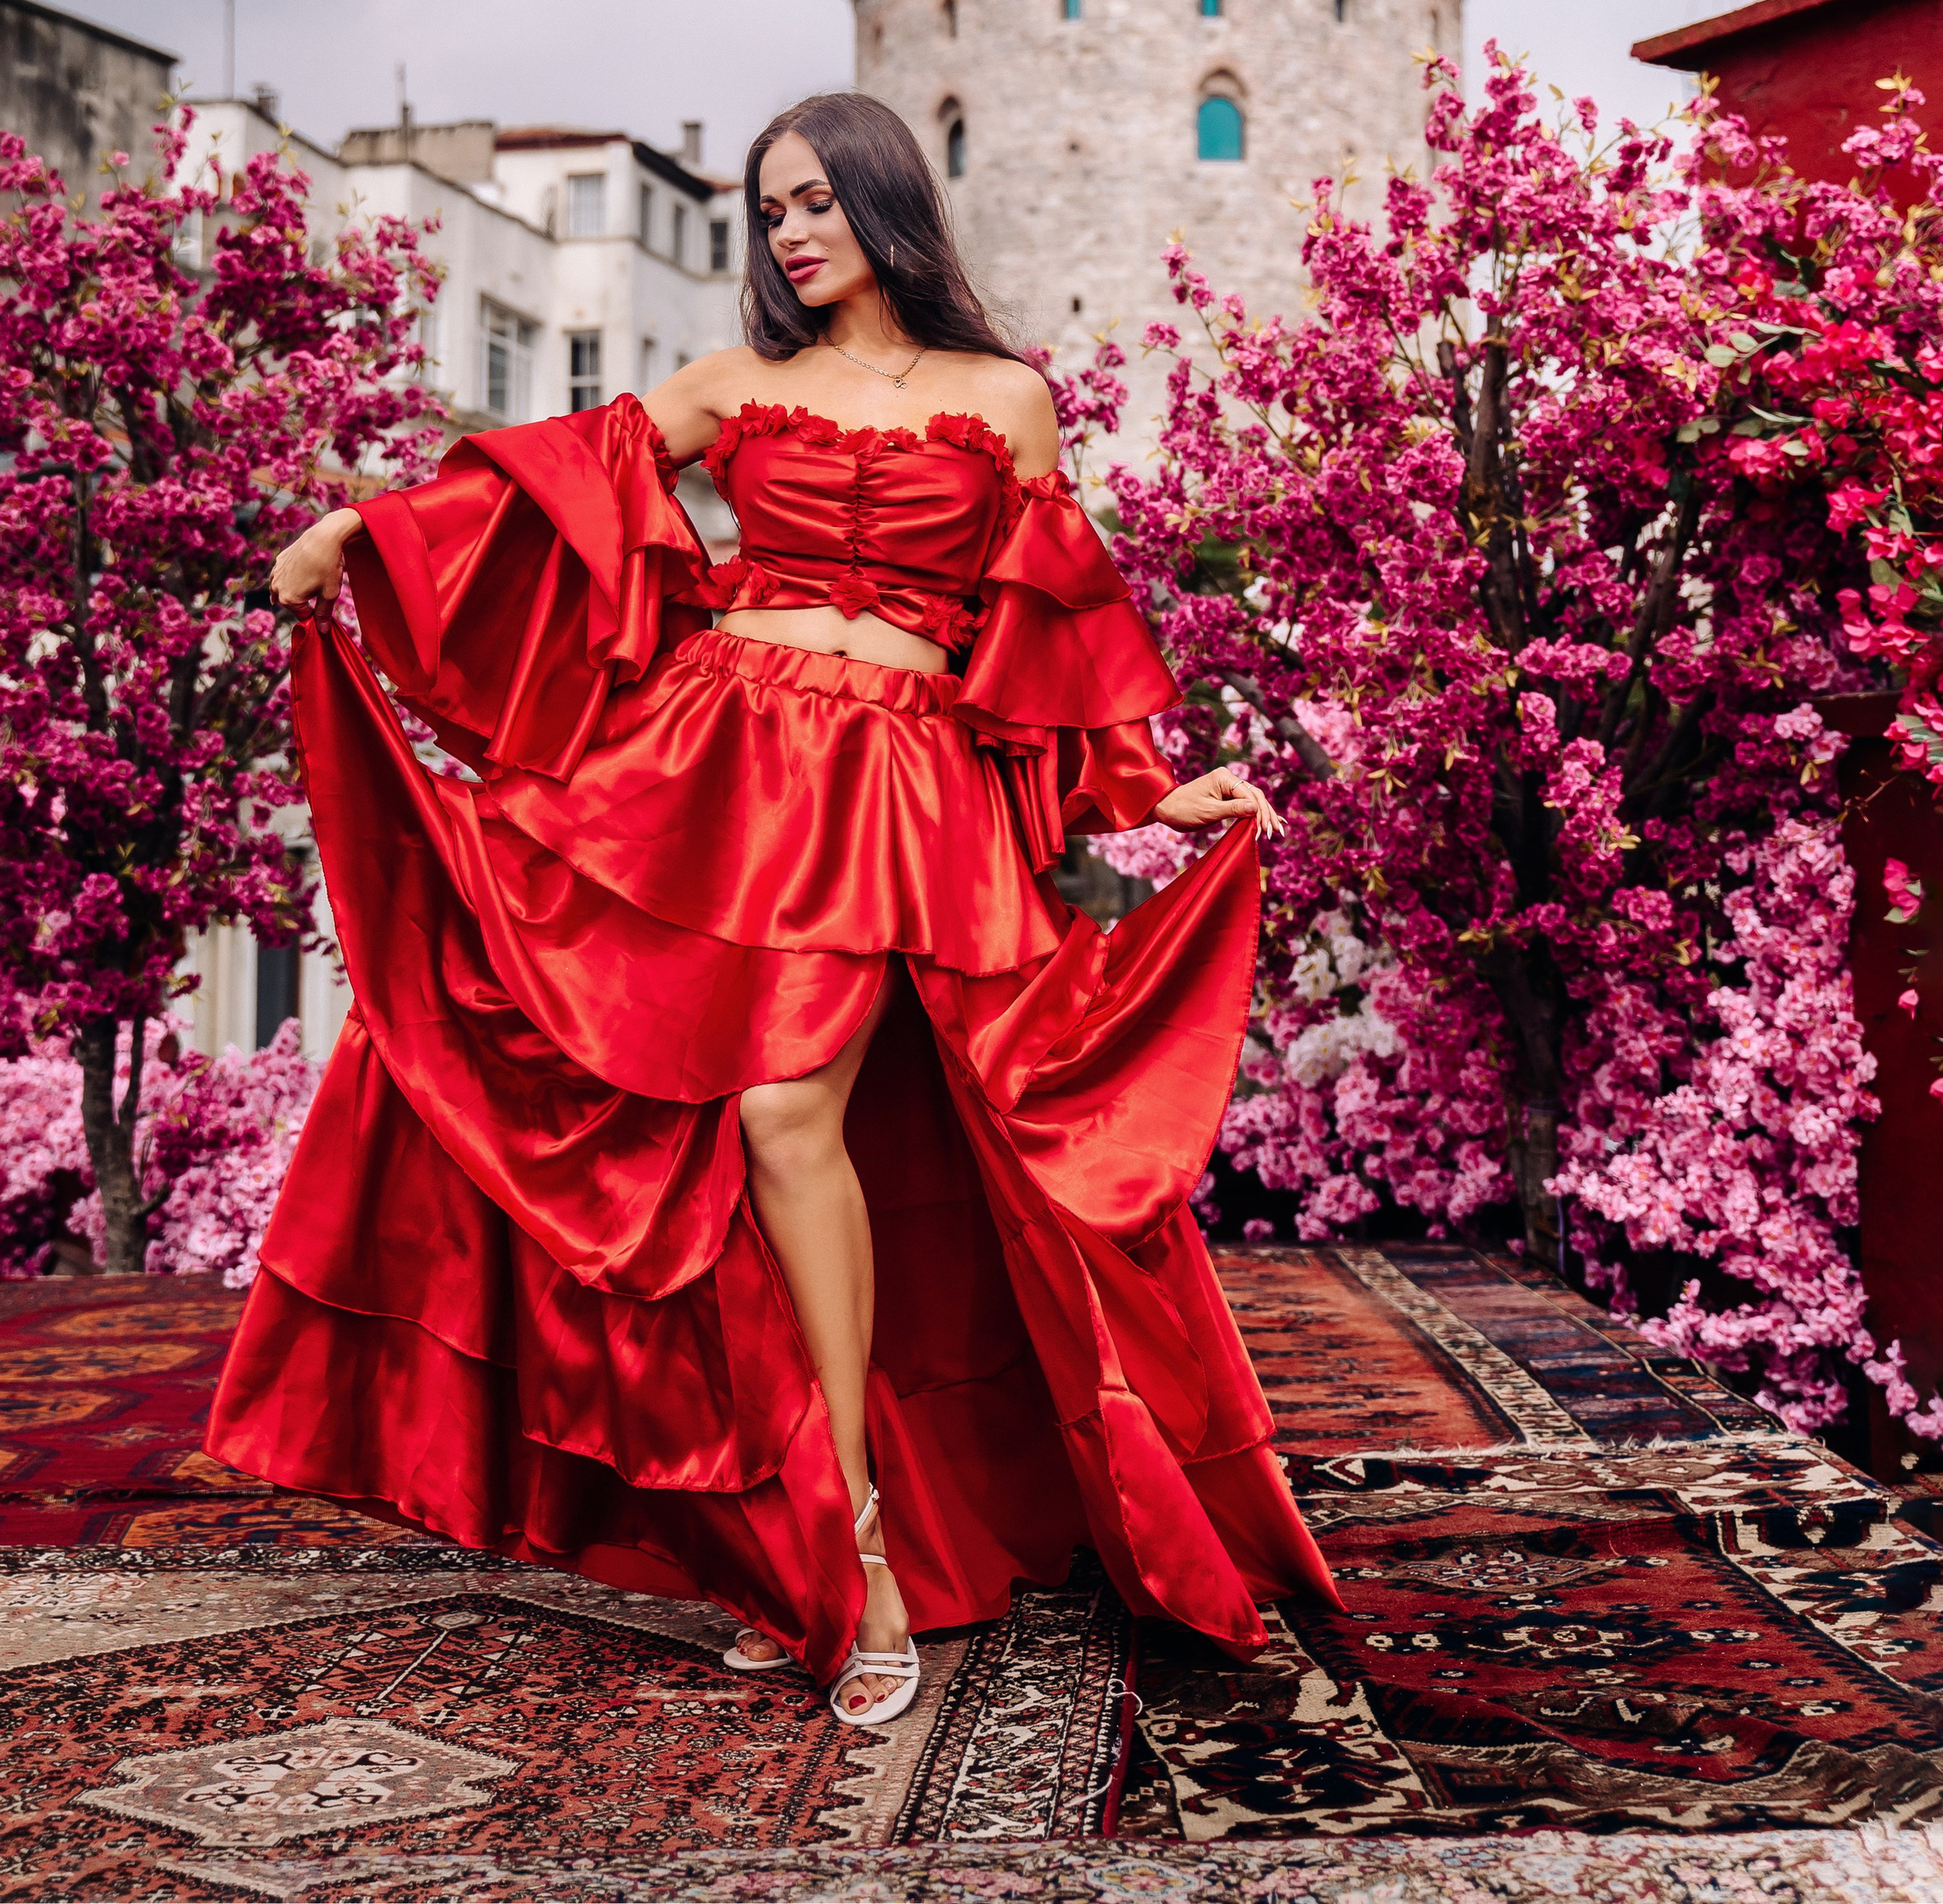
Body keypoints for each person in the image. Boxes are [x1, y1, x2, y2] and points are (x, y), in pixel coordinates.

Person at [209, 92, 1336, 1726]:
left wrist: (1147, 789)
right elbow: (556, 489)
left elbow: (1055, 622)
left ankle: (852, 1540)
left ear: (883, 203)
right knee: (690, 1111)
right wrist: (359, 534)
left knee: (793, 1105)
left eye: (812, 202)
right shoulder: (736, 384)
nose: (789, 234)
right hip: (719, 761)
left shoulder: (1004, 399)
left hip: (902, 785)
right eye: (768, 211)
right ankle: (819, 1540)